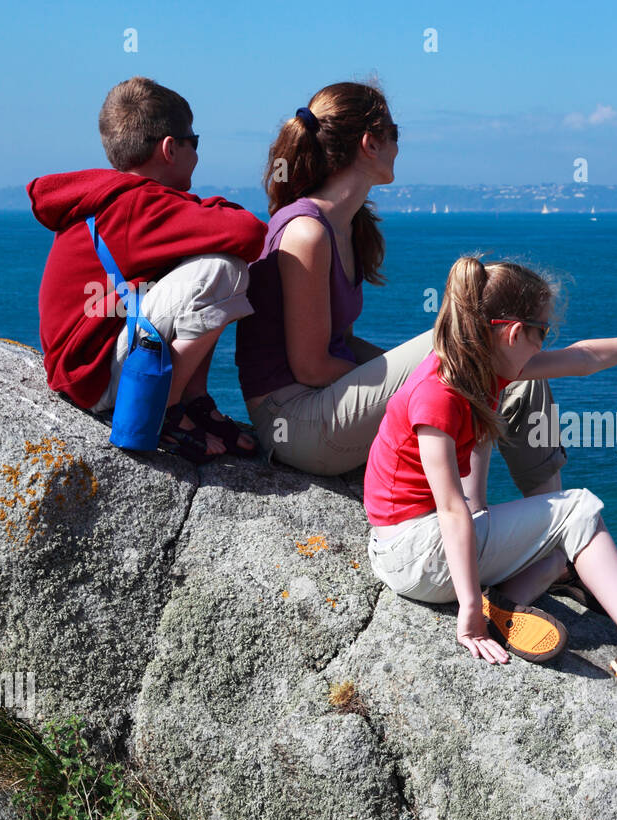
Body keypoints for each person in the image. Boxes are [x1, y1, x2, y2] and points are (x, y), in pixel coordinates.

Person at [364, 255, 617, 702]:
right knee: (579, 509)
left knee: (562, 549)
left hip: (419, 550)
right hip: (415, 555)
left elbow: (582, 358)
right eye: (542, 333)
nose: (543, 346)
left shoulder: (477, 367)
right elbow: (453, 512)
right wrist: (468, 615)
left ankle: (504, 601)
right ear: (512, 332)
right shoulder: (438, 396)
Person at [236, 81, 562, 505]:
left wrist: (418, 372)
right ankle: (476, 517)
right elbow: (312, 367)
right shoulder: (306, 232)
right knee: (479, 341)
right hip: (295, 421)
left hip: (326, 407)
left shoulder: (347, 226)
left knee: (508, 366)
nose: (399, 146)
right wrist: (425, 378)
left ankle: (552, 519)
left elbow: (342, 342)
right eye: (396, 134)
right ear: (370, 143)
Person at [29, 76, 266, 461]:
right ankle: (164, 411)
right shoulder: (137, 206)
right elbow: (249, 233)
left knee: (203, 260)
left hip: (84, 367)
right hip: (95, 378)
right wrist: (205, 206)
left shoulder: (111, 198)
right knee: (224, 269)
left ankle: (193, 400)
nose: (198, 152)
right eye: (195, 141)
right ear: (170, 148)